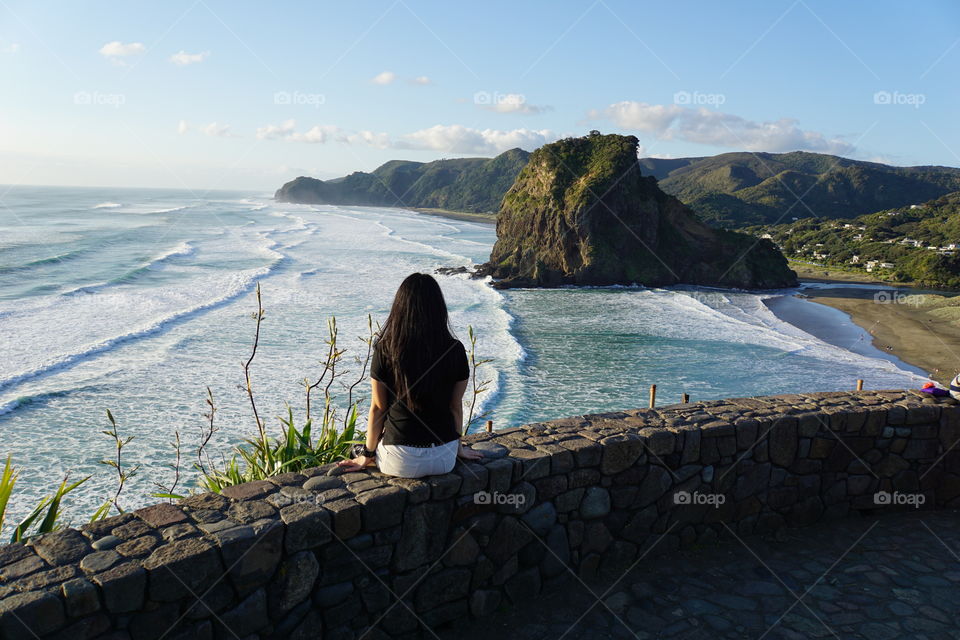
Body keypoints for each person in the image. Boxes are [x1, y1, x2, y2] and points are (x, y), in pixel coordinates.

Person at [337, 273, 483, 477]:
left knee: (357, 450)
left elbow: (378, 409)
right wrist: (458, 449)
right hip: (445, 457)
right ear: (439, 309)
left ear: (399, 308)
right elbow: (455, 407)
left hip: (400, 460)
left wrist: (367, 455)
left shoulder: (387, 349)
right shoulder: (455, 349)